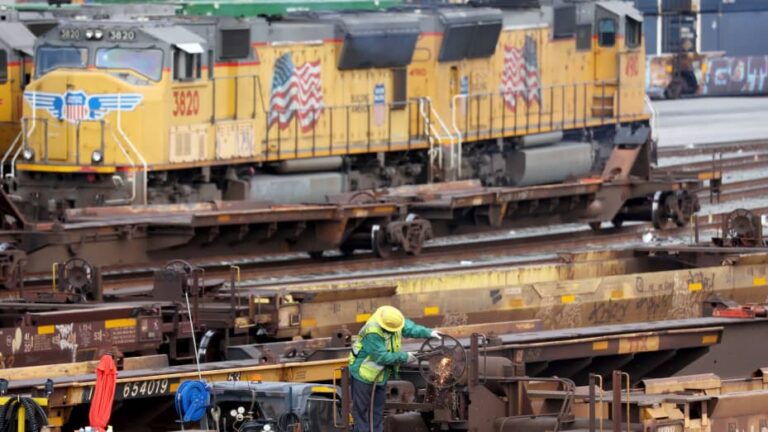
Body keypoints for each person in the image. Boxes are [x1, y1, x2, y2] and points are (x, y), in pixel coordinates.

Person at [348, 305, 441, 432]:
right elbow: (381, 357)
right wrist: (405, 357)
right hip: (363, 374)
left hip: (380, 375)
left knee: (377, 412)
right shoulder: (372, 332)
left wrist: (428, 333)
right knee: (362, 413)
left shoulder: (393, 320)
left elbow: (410, 328)